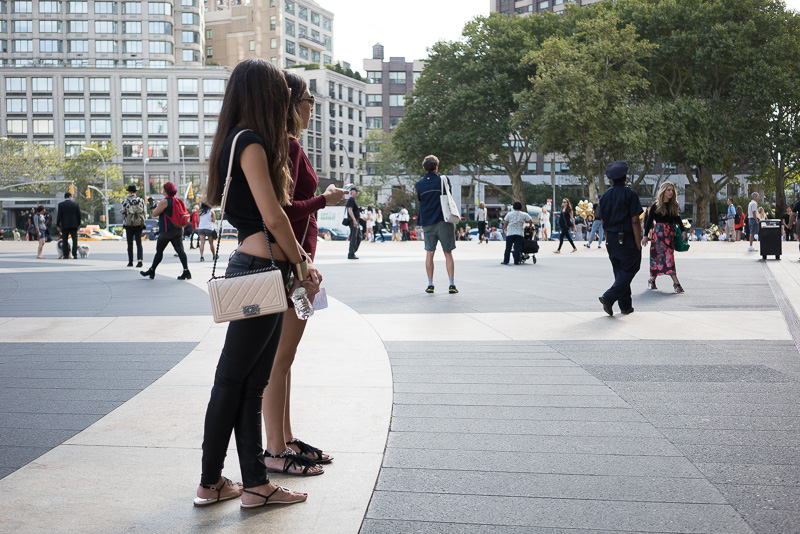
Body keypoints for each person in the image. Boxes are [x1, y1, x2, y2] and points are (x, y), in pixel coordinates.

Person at [196, 58, 315, 509]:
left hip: (262, 270)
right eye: (280, 93)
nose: (286, 100)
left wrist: (297, 266)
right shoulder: (250, 142)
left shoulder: (236, 139)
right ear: (266, 95)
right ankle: (211, 482)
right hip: (260, 270)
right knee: (231, 381)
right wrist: (302, 262)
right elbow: (273, 216)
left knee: (249, 383)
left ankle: (254, 485)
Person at [259, 71, 344, 478]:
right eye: (309, 99)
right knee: (280, 358)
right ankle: (276, 448)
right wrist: (323, 201)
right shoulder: (287, 147)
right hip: (293, 265)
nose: (313, 107)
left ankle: (287, 439)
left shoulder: (288, 146)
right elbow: (282, 212)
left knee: (286, 358)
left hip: (299, 262)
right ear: (291, 103)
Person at [596, 161, 643, 316]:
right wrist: (638, 242)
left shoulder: (605, 196)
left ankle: (625, 306)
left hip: (611, 238)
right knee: (631, 268)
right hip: (627, 237)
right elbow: (635, 220)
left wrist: (607, 237)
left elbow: (602, 221)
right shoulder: (631, 194)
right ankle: (609, 297)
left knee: (620, 271)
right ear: (625, 177)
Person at [415, 155, 458, 294]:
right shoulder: (443, 180)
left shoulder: (419, 184)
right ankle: (451, 284)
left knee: (429, 253)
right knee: (448, 253)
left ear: (424, 168)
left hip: (427, 222)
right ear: (436, 167)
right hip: (443, 220)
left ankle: (430, 284)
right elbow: (448, 196)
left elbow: (420, 200)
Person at [139, 182, 191, 280]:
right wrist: (160, 205)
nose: (162, 191)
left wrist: (156, 206)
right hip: (178, 229)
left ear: (166, 191)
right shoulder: (177, 200)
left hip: (166, 231)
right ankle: (186, 271)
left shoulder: (165, 201)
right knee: (180, 251)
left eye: (163, 189)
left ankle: (152, 270)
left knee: (159, 251)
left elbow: (154, 214)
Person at [642, 181, 685, 294]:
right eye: (668, 190)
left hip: (669, 235)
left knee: (668, 257)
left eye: (672, 190)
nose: (670, 192)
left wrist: (684, 230)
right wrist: (645, 236)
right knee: (657, 258)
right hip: (658, 236)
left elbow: (678, 219)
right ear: (663, 191)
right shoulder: (656, 205)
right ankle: (675, 283)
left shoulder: (674, 205)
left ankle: (654, 280)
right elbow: (649, 222)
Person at [121, 184, 147, 268]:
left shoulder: (126, 201)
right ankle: (140, 260)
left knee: (129, 243)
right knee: (139, 243)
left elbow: (122, 212)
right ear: (136, 192)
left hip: (129, 224)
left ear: (129, 192)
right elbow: (144, 212)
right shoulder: (141, 200)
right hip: (139, 224)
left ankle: (130, 261)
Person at [56, 191, 81, 259]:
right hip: (74, 225)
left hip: (65, 225)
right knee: (74, 240)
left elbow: (59, 215)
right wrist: (78, 224)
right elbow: (79, 215)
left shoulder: (61, 205)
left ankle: (66, 255)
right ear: (70, 196)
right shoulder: (75, 204)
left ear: (65, 197)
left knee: (64, 240)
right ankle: (74, 254)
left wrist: (58, 225)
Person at [346, 187, 362, 259]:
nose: (357, 193)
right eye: (356, 191)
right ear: (352, 192)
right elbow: (350, 210)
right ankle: (351, 254)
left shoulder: (353, 200)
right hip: (353, 221)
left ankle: (353, 251)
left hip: (356, 221)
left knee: (359, 236)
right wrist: (354, 220)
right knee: (354, 237)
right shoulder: (351, 200)